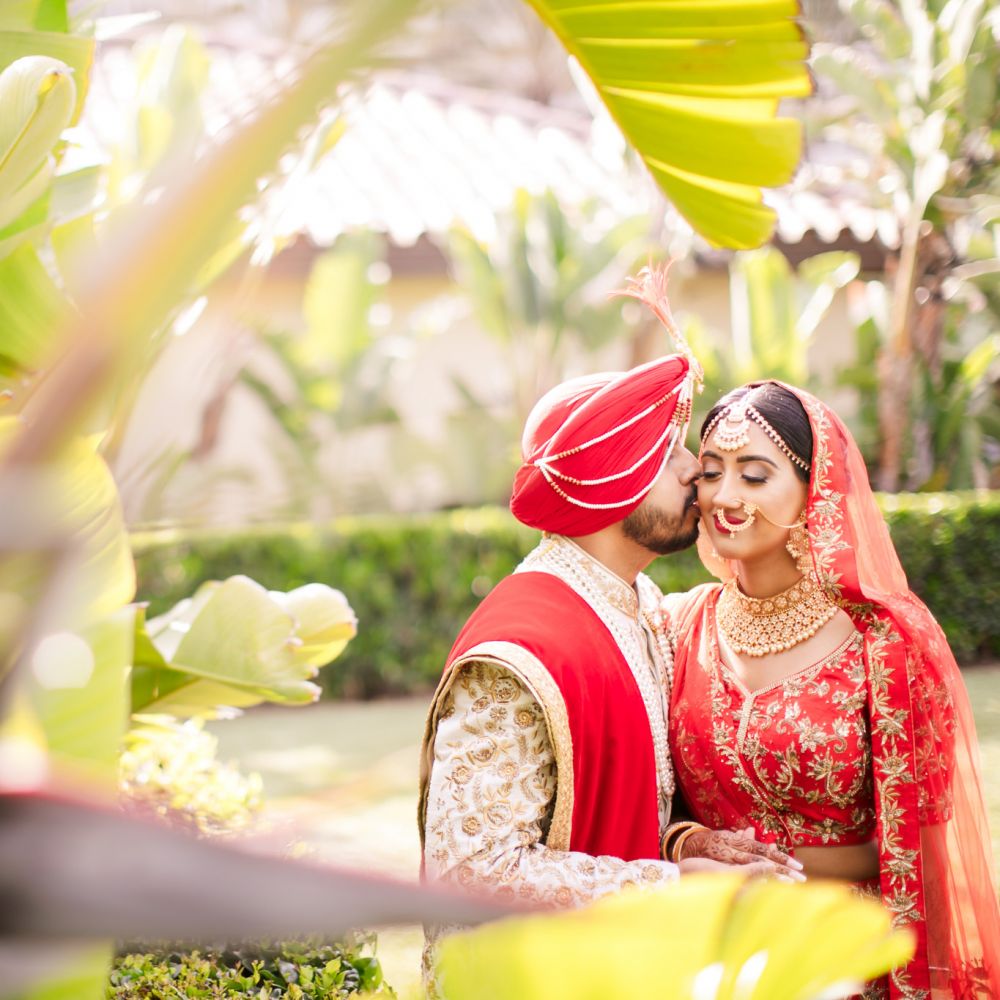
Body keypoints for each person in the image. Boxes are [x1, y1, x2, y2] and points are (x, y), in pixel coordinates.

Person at [417, 270, 800, 988]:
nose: (697, 474)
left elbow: (621, 806)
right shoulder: (522, 649)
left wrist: (689, 843)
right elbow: (473, 870)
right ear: (607, 478)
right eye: (670, 454)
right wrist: (673, 888)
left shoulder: (635, 605)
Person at [664, 379, 1000, 998]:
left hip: (849, 958)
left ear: (814, 490)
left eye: (756, 476)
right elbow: (655, 804)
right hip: (708, 955)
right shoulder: (678, 624)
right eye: (711, 472)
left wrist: (769, 869)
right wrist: (692, 844)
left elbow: (917, 848)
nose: (724, 496)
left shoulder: (888, 644)